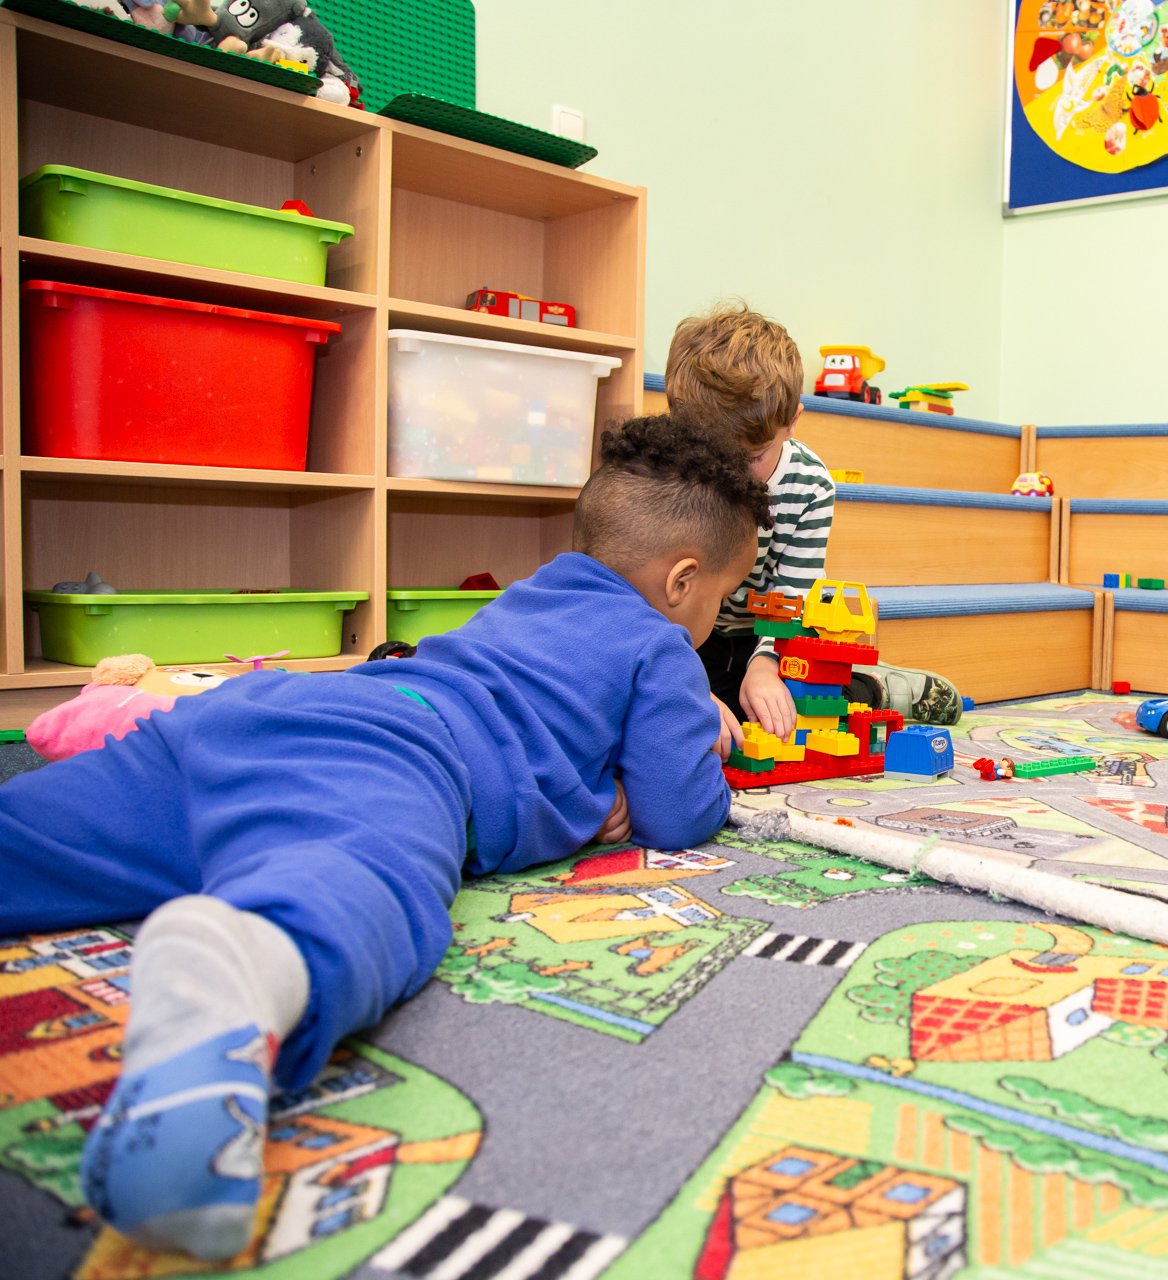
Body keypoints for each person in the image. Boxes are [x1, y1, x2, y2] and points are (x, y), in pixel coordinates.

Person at [0, 415, 769, 1260]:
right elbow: (680, 811)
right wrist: (697, 737)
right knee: (358, 889)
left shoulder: (536, 590)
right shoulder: (659, 645)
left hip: (275, 710)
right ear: (682, 581)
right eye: (723, 598)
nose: (715, 617)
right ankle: (241, 967)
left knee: (38, 839)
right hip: (400, 758)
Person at [664, 301, 963, 734]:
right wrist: (684, 679)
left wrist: (766, 664)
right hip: (686, 640)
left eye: (749, 457)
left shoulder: (810, 484)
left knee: (791, 708)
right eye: (712, 454)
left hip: (767, 639)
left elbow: (795, 590)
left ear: (792, 422)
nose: (727, 473)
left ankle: (873, 688)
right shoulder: (664, 469)